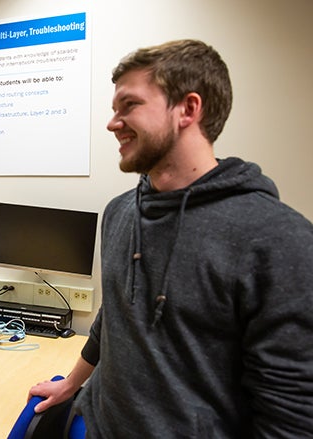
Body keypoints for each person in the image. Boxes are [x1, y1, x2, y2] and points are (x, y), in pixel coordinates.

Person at [28, 39, 313, 437]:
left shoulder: (277, 238)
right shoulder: (120, 212)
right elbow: (112, 319)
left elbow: (292, 414)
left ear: (188, 109)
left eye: (129, 106)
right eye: (114, 110)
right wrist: (72, 383)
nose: (113, 123)